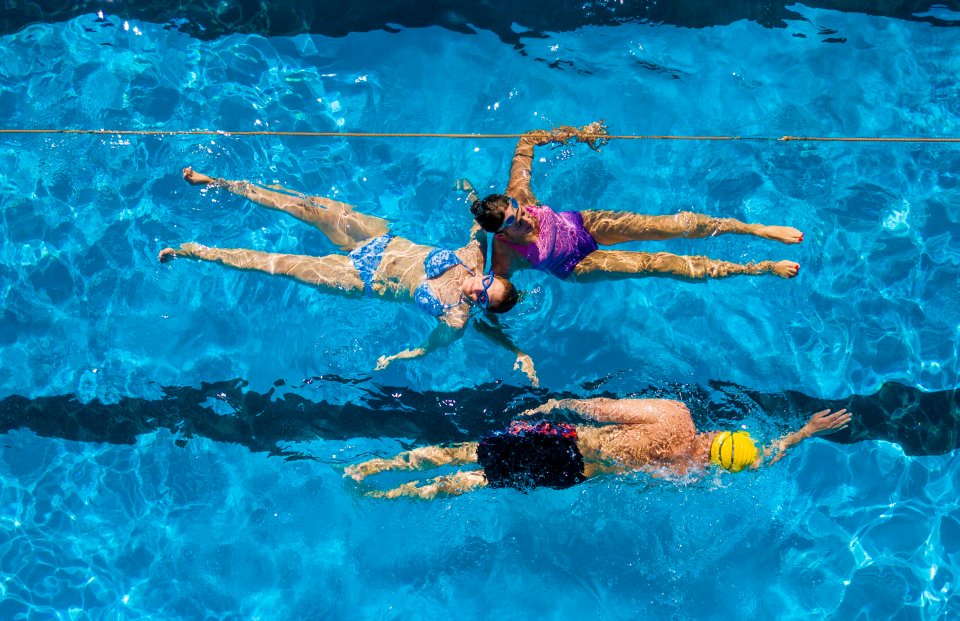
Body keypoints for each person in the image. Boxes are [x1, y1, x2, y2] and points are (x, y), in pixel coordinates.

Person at [160, 168, 539, 380]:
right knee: (303, 206)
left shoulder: (455, 317)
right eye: (486, 286)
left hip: (359, 277)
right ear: (490, 276)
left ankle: (190, 252)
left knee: (274, 263)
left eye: (482, 301)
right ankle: (217, 180)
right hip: (378, 238)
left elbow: (428, 347)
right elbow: (481, 222)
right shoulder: (472, 256)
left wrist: (396, 358)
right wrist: (469, 190)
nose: (477, 292)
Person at [466, 122, 803, 282]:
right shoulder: (505, 254)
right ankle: (758, 268)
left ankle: (756, 229)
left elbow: (526, 140)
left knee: (673, 225)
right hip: (576, 265)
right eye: (516, 222)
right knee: (653, 264)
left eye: (520, 211)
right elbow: (498, 289)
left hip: (583, 223)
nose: (526, 218)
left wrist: (578, 133)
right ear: (503, 234)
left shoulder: (520, 195)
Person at [345, 396, 851, 499]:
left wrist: (553, 406)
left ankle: (379, 467)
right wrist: (802, 433)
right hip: (575, 474)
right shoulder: (690, 474)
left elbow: (603, 408)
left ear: (719, 435)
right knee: (481, 480)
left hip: (564, 440)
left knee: (468, 452)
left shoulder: (676, 415)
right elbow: (764, 460)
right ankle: (388, 497)